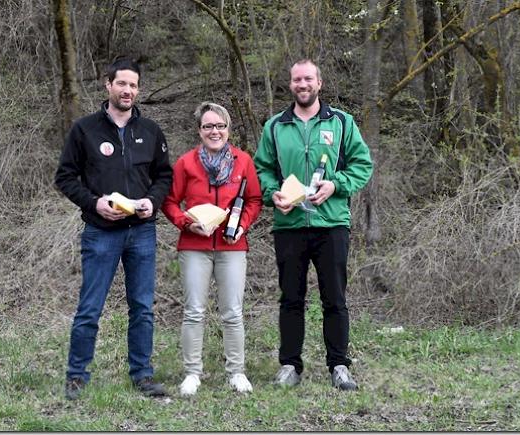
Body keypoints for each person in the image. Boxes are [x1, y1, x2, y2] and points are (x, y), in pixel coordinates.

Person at [55, 58, 173, 400]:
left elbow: (164, 175)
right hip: (100, 233)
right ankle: (77, 376)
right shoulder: (85, 130)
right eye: (122, 84)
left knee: (143, 307)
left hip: (142, 232)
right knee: (90, 307)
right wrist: (94, 204)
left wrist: (153, 199)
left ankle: (142, 375)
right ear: (108, 85)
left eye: (134, 85)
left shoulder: (150, 131)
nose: (128, 91)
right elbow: (64, 177)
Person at [253, 59, 373, 390]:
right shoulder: (275, 126)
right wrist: (271, 192)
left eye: (308, 79)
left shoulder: (342, 123)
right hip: (289, 224)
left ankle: (339, 365)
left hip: (331, 223)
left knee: (334, 297)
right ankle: (290, 365)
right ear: (290, 85)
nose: (302, 84)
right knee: (291, 297)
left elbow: (363, 165)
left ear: (319, 82)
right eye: (296, 79)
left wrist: (336, 184)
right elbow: (261, 168)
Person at [162, 102, 263, 396]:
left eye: (220, 126)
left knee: (232, 311)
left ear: (228, 129)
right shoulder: (186, 163)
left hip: (232, 246)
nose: (214, 131)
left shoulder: (243, 161)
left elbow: (255, 200)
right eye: (208, 126)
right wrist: (185, 223)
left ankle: (237, 372)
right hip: (195, 246)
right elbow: (169, 202)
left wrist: (241, 225)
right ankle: (193, 373)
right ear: (199, 130)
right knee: (194, 310)